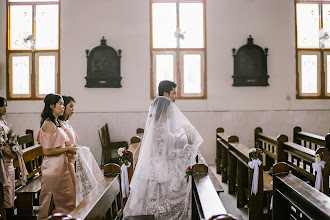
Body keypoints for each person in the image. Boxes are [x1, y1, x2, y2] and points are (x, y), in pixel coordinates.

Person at [124, 81, 203, 219]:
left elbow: (166, 147)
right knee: (177, 191)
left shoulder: (160, 126)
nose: (173, 110)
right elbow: (167, 155)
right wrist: (188, 148)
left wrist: (181, 143)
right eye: (170, 108)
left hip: (159, 166)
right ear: (164, 109)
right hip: (162, 170)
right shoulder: (159, 130)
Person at [37, 94, 77, 220]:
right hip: (53, 168)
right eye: (60, 104)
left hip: (60, 165)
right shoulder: (49, 124)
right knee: (51, 201)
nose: (63, 107)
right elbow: (46, 151)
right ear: (51, 106)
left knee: (66, 198)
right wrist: (68, 149)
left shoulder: (56, 123)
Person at [58, 96, 78, 204]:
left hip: (71, 159)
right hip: (65, 161)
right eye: (70, 106)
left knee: (73, 188)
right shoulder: (58, 124)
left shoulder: (66, 123)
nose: (73, 109)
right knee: (70, 189)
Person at [0, 97, 16, 220]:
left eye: (5, 105)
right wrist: (12, 154)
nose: (5, 108)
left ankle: (10, 208)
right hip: (2, 161)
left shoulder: (4, 123)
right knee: (5, 187)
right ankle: (6, 213)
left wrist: (15, 150)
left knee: (10, 186)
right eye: (2, 105)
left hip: (9, 161)